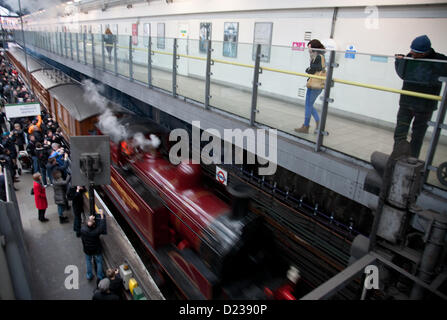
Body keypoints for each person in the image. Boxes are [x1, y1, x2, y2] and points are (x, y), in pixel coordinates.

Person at [394, 35, 447, 158]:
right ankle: (396, 158)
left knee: (417, 136)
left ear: (424, 53)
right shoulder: (410, 57)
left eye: (415, 52)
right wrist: (399, 62)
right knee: (400, 133)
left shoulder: (440, 61)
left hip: (425, 106)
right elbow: (403, 75)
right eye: (411, 50)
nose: (412, 53)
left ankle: (412, 161)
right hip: (406, 103)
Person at [295, 39, 326, 134]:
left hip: (316, 86)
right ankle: (315, 124)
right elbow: (312, 69)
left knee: (308, 105)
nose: (308, 49)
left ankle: (306, 126)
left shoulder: (319, 57)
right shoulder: (317, 56)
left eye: (309, 47)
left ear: (314, 47)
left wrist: (309, 68)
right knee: (308, 105)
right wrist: (310, 68)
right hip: (312, 84)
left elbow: (314, 69)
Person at [81, 209, 107, 281]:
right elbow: (101, 227)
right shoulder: (95, 232)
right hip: (96, 249)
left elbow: (87, 224)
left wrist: (90, 220)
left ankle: (89, 275)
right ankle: (100, 276)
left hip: (87, 249)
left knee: (88, 261)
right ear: (93, 225)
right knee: (99, 262)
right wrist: (101, 215)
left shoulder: (83, 229)